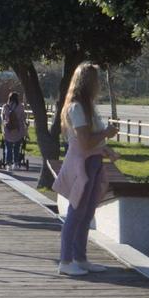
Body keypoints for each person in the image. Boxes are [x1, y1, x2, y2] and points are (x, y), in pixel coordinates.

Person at [52, 63, 119, 276]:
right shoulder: (77, 108)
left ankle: (80, 257)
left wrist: (105, 148)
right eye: (96, 80)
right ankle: (66, 259)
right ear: (89, 82)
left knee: (87, 212)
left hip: (93, 162)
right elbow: (84, 143)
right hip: (83, 164)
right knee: (76, 212)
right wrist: (106, 134)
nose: (98, 84)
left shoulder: (86, 106)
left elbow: (91, 141)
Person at [1, 91, 28, 171]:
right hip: (18, 129)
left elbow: (3, 118)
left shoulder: (5, 106)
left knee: (8, 147)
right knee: (17, 147)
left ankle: (8, 163)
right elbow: (23, 118)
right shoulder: (20, 106)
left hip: (8, 130)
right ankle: (16, 163)